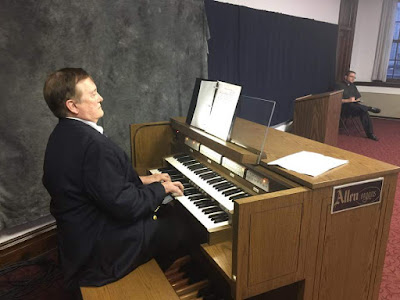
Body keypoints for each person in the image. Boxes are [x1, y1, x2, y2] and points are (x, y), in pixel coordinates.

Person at [42, 68, 186, 293]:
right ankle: (158, 285)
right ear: (72, 106)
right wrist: (161, 188)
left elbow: (96, 183)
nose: (100, 98)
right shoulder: (93, 145)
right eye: (93, 94)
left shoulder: (63, 133)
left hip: (78, 235)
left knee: (164, 210)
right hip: (99, 248)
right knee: (177, 223)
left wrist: (145, 180)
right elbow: (126, 206)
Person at [335, 70, 380, 141]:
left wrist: (357, 100)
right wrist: (348, 100)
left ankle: (370, 134)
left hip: (354, 106)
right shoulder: (338, 85)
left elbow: (358, 97)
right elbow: (335, 100)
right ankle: (369, 108)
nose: (353, 79)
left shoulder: (353, 86)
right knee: (354, 106)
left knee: (364, 112)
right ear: (345, 77)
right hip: (343, 108)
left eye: (354, 77)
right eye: (351, 77)